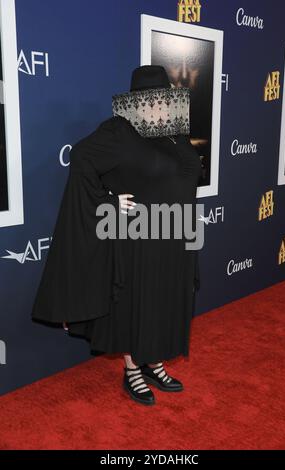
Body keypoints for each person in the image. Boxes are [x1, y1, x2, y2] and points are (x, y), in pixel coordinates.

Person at [31, 65, 203, 406]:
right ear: (135, 101)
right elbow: (81, 158)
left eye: (164, 97)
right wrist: (107, 200)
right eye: (150, 99)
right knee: (135, 302)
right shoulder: (120, 131)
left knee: (165, 299)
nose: (158, 105)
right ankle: (132, 369)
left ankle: (154, 361)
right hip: (137, 235)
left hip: (175, 231)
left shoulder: (174, 131)